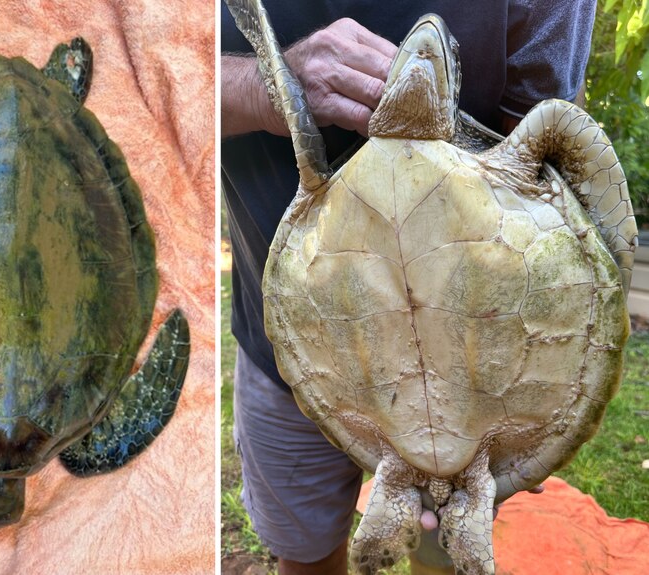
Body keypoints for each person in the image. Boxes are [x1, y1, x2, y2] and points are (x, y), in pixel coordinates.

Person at [221, 1, 596, 573]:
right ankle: (420, 507)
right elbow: (133, 90)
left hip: (478, 379)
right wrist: (266, 87)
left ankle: (426, 504)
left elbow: (540, 155)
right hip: (297, 358)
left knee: (442, 552)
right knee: (303, 553)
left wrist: (530, 418)